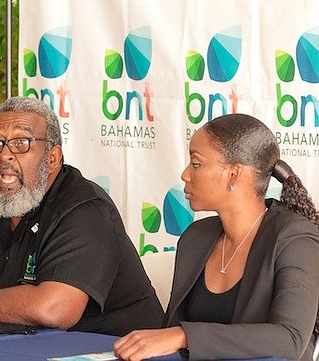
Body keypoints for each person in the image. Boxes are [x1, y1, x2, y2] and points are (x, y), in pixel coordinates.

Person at [0, 96, 164, 335]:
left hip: (111, 350)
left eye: (21, 143)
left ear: (52, 159)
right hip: (8, 346)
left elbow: (54, 309)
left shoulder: (85, 209)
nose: (4, 154)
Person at [114, 114, 319, 360]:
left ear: (234, 174)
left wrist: (183, 336)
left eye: (196, 164)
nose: (185, 175)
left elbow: (290, 340)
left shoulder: (295, 238)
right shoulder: (196, 237)